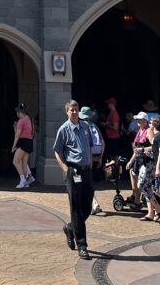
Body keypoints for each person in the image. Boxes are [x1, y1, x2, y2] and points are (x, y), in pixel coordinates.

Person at [53, 99, 94, 261]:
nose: (75, 112)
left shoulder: (85, 127)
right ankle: (82, 245)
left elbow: (90, 145)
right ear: (67, 112)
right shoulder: (63, 130)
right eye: (72, 110)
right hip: (73, 170)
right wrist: (65, 168)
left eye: (76, 109)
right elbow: (57, 150)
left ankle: (71, 227)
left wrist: (90, 160)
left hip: (86, 170)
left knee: (88, 205)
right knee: (76, 207)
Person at [127, 112, 158, 219]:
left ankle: (158, 208)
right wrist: (131, 161)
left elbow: (155, 146)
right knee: (146, 187)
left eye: (139, 120)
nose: (137, 122)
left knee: (143, 185)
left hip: (149, 162)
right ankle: (151, 212)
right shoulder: (140, 131)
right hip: (141, 162)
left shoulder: (149, 130)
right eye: (137, 120)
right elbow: (136, 149)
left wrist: (144, 149)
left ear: (145, 120)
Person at [78, 106, 104, 213]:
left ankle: (94, 203)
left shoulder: (82, 127)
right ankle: (89, 204)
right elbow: (102, 142)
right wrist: (101, 158)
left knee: (85, 182)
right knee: (87, 181)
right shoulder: (95, 127)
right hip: (96, 157)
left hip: (86, 159)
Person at [11, 103, 35, 189]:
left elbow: (17, 135)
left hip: (23, 143)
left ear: (19, 112)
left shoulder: (21, 121)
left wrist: (13, 146)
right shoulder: (29, 119)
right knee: (24, 163)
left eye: (17, 112)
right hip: (29, 142)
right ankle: (27, 181)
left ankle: (23, 180)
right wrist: (16, 127)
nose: (16, 114)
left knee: (15, 161)